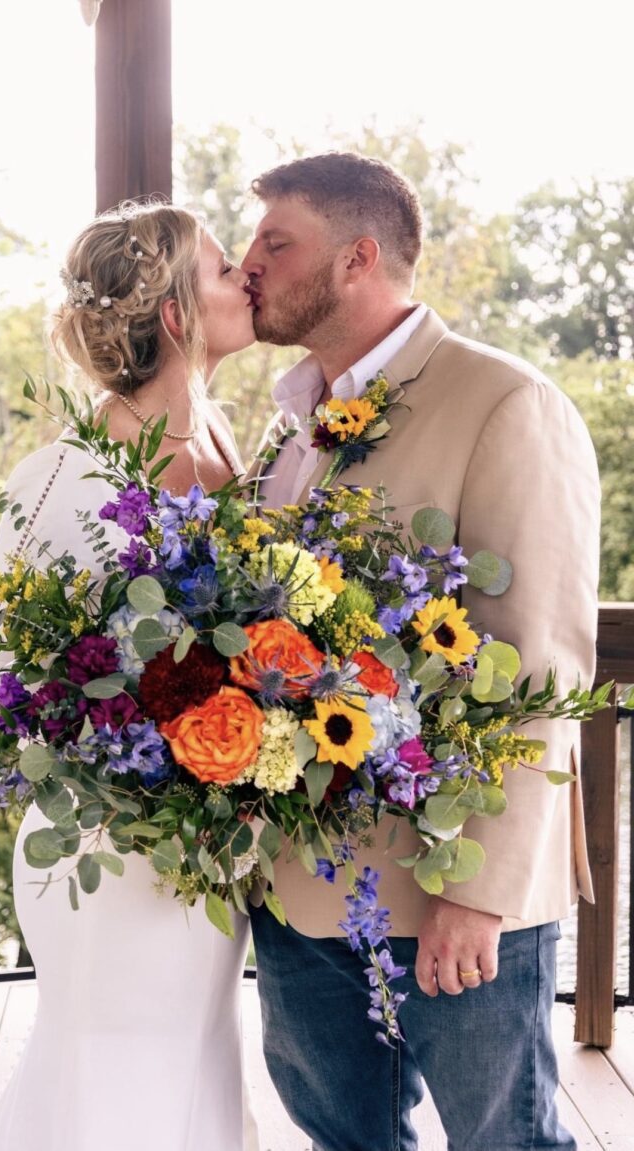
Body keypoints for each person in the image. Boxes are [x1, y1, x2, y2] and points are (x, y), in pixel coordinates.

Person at [240, 152, 600, 1151]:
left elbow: (539, 664)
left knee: (507, 1141)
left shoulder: (507, 404)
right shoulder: (285, 428)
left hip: (452, 889)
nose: (248, 265)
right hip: (302, 892)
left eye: (277, 241)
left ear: (357, 258)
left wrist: (479, 896)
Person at [0, 202, 259, 1151]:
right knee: (110, 1082)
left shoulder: (225, 448)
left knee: (193, 1067)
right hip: (107, 846)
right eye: (224, 269)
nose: (246, 277)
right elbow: (4, 670)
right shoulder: (63, 477)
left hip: (208, 849)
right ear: (177, 313)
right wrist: (140, 746)